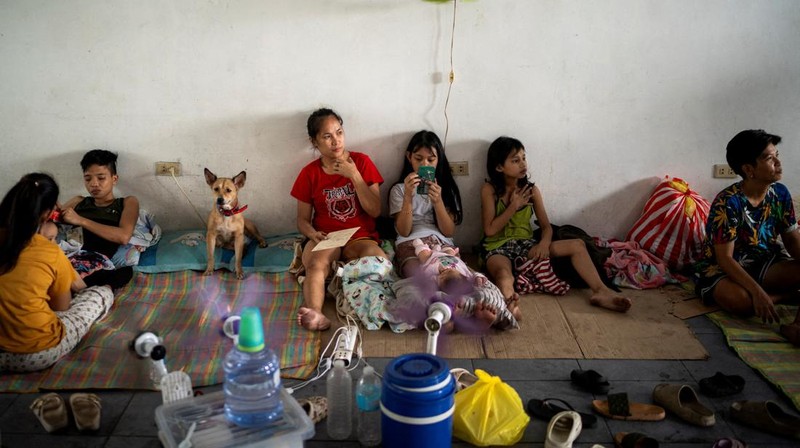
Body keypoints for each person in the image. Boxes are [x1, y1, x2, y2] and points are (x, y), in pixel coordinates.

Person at [481, 136, 631, 313]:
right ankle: (510, 305)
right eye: (515, 160)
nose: (523, 164)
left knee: (577, 245)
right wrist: (514, 206)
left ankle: (601, 292)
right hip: (497, 248)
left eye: (524, 158)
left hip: (526, 245)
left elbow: (546, 227)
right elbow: (490, 230)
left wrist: (544, 244)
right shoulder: (489, 190)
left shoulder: (531, 191)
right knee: (503, 275)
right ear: (499, 167)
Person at [694, 129, 800, 346]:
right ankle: (784, 296)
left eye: (776, 155)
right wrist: (758, 293)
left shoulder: (780, 194)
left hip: (764, 261)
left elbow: (792, 240)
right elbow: (725, 259)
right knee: (741, 302)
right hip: (724, 265)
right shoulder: (728, 202)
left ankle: (796, 327)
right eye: (769, 158)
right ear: (749, 169)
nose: (778, 163)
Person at [0, 173, 114, 372]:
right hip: (35, 353)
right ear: (46, 214)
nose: (94, 184)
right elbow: (61, 307)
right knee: (101, 294)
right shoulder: (49, 251)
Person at [290, 108, 386, 331]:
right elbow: (302, 220)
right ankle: (315, 312)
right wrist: (312, 234)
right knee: (314, 264)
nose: (336, 141)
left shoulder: (361, 162)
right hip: (328, 236)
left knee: (378, 262)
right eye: (327, 136)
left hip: (360, 236)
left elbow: (374, 211)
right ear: (315, 142)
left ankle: (348, 285)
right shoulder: (309, 174)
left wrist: (354, 176)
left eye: (339, 132)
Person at [60, 149, 139, 289]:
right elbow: (54, 221)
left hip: (94, 260)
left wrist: (81, 220)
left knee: (126, 272)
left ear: (114, 179)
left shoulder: (127, 203)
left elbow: (123, 236)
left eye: (101, 178)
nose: (94, 184)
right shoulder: (78, 201)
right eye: (88, 178)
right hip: (67, 254)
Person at [389, 130, 463, 278]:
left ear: (438, 160)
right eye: (418, 158)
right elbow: (403, 231)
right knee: (420, 278)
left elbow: (448, 231)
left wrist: (438, 201)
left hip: (441, 242)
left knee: (454, 276)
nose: (424, 164)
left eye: (431, 159)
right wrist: (408, 197)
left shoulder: (446, 187)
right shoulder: (399, 189)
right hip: (410, 242)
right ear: (409, 157)